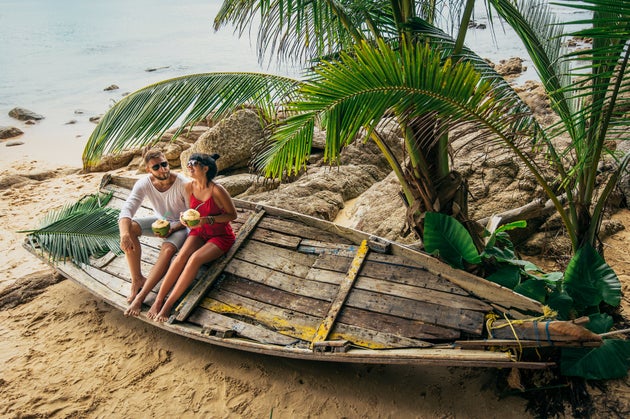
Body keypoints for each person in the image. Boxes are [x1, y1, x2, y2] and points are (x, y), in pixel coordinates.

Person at [147, 152, 237, 322]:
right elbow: (191, 213)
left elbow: (232, 215)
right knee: (180, 257)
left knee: (194, 259)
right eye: (188, 163)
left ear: (205, 168)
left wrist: (208, 220)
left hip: (220, 235)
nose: (189, 166)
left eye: (193, 163)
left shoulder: (217, 190)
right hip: (199, 232)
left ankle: (168, 305)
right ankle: (159, 300)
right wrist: (183, 219)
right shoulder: (189, 187)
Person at [119, 149, 190, 317]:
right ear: (148, 170)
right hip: (161, 221)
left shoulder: (182, 183)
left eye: (164, 164)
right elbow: (127, 209)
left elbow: (191, 214)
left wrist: (173, 229)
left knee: (167, 250)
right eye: (156, 167)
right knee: (129, 228)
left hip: (181, 225)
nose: (163, 169)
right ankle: (137, 279)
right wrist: (124, 235)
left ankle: (141, 297)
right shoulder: (144, 183)